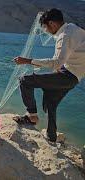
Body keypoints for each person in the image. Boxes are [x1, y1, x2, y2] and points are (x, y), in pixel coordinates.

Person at [14, 8, 85, 142]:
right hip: (74, 77)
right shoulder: (73, 28)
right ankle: (51, 136)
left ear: (52, 24)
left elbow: (55, 62)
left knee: (24, 80)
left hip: (67, 76)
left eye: (46, 27)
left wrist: (27, 61)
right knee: (51, 103)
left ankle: (32, 115)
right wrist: (60, 68)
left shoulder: (64, 36)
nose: (45, 31)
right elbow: (73, 56)